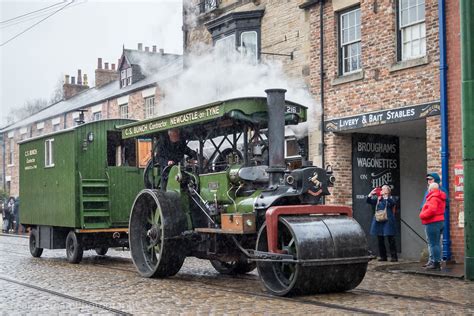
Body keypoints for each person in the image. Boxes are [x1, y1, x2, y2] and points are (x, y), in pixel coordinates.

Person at [367, 185, 398, 262]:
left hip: (388, 221)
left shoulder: (391, 198)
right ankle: (383, 256)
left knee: (391, 239)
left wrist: (386, 197)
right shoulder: (378, 199)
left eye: (384, 189)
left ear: (388, 191)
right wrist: (371, 194)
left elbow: (393, 203)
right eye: (382, 189)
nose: (382, 190)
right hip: (379, 220)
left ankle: (394, 257)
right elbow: (369, 201)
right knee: (380, 239)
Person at [419, 182, 446, 270]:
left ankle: (436, 263)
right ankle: (437, 262)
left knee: (433, 244)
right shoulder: (440, 196)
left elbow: (432, 210)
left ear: (430, 189)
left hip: (433, 222)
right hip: (440, 221)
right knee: (437, 243)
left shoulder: (433, 197)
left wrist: (422, 215)